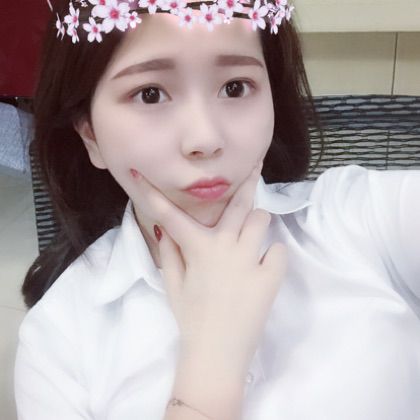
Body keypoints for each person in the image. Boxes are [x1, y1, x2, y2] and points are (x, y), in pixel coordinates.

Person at [14, 0, 420, 419]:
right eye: (150, 94)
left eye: (235, 87)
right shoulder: (58, 339)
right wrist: (211, 366)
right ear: (90, 134)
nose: (205, 139)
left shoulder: (360, 218)